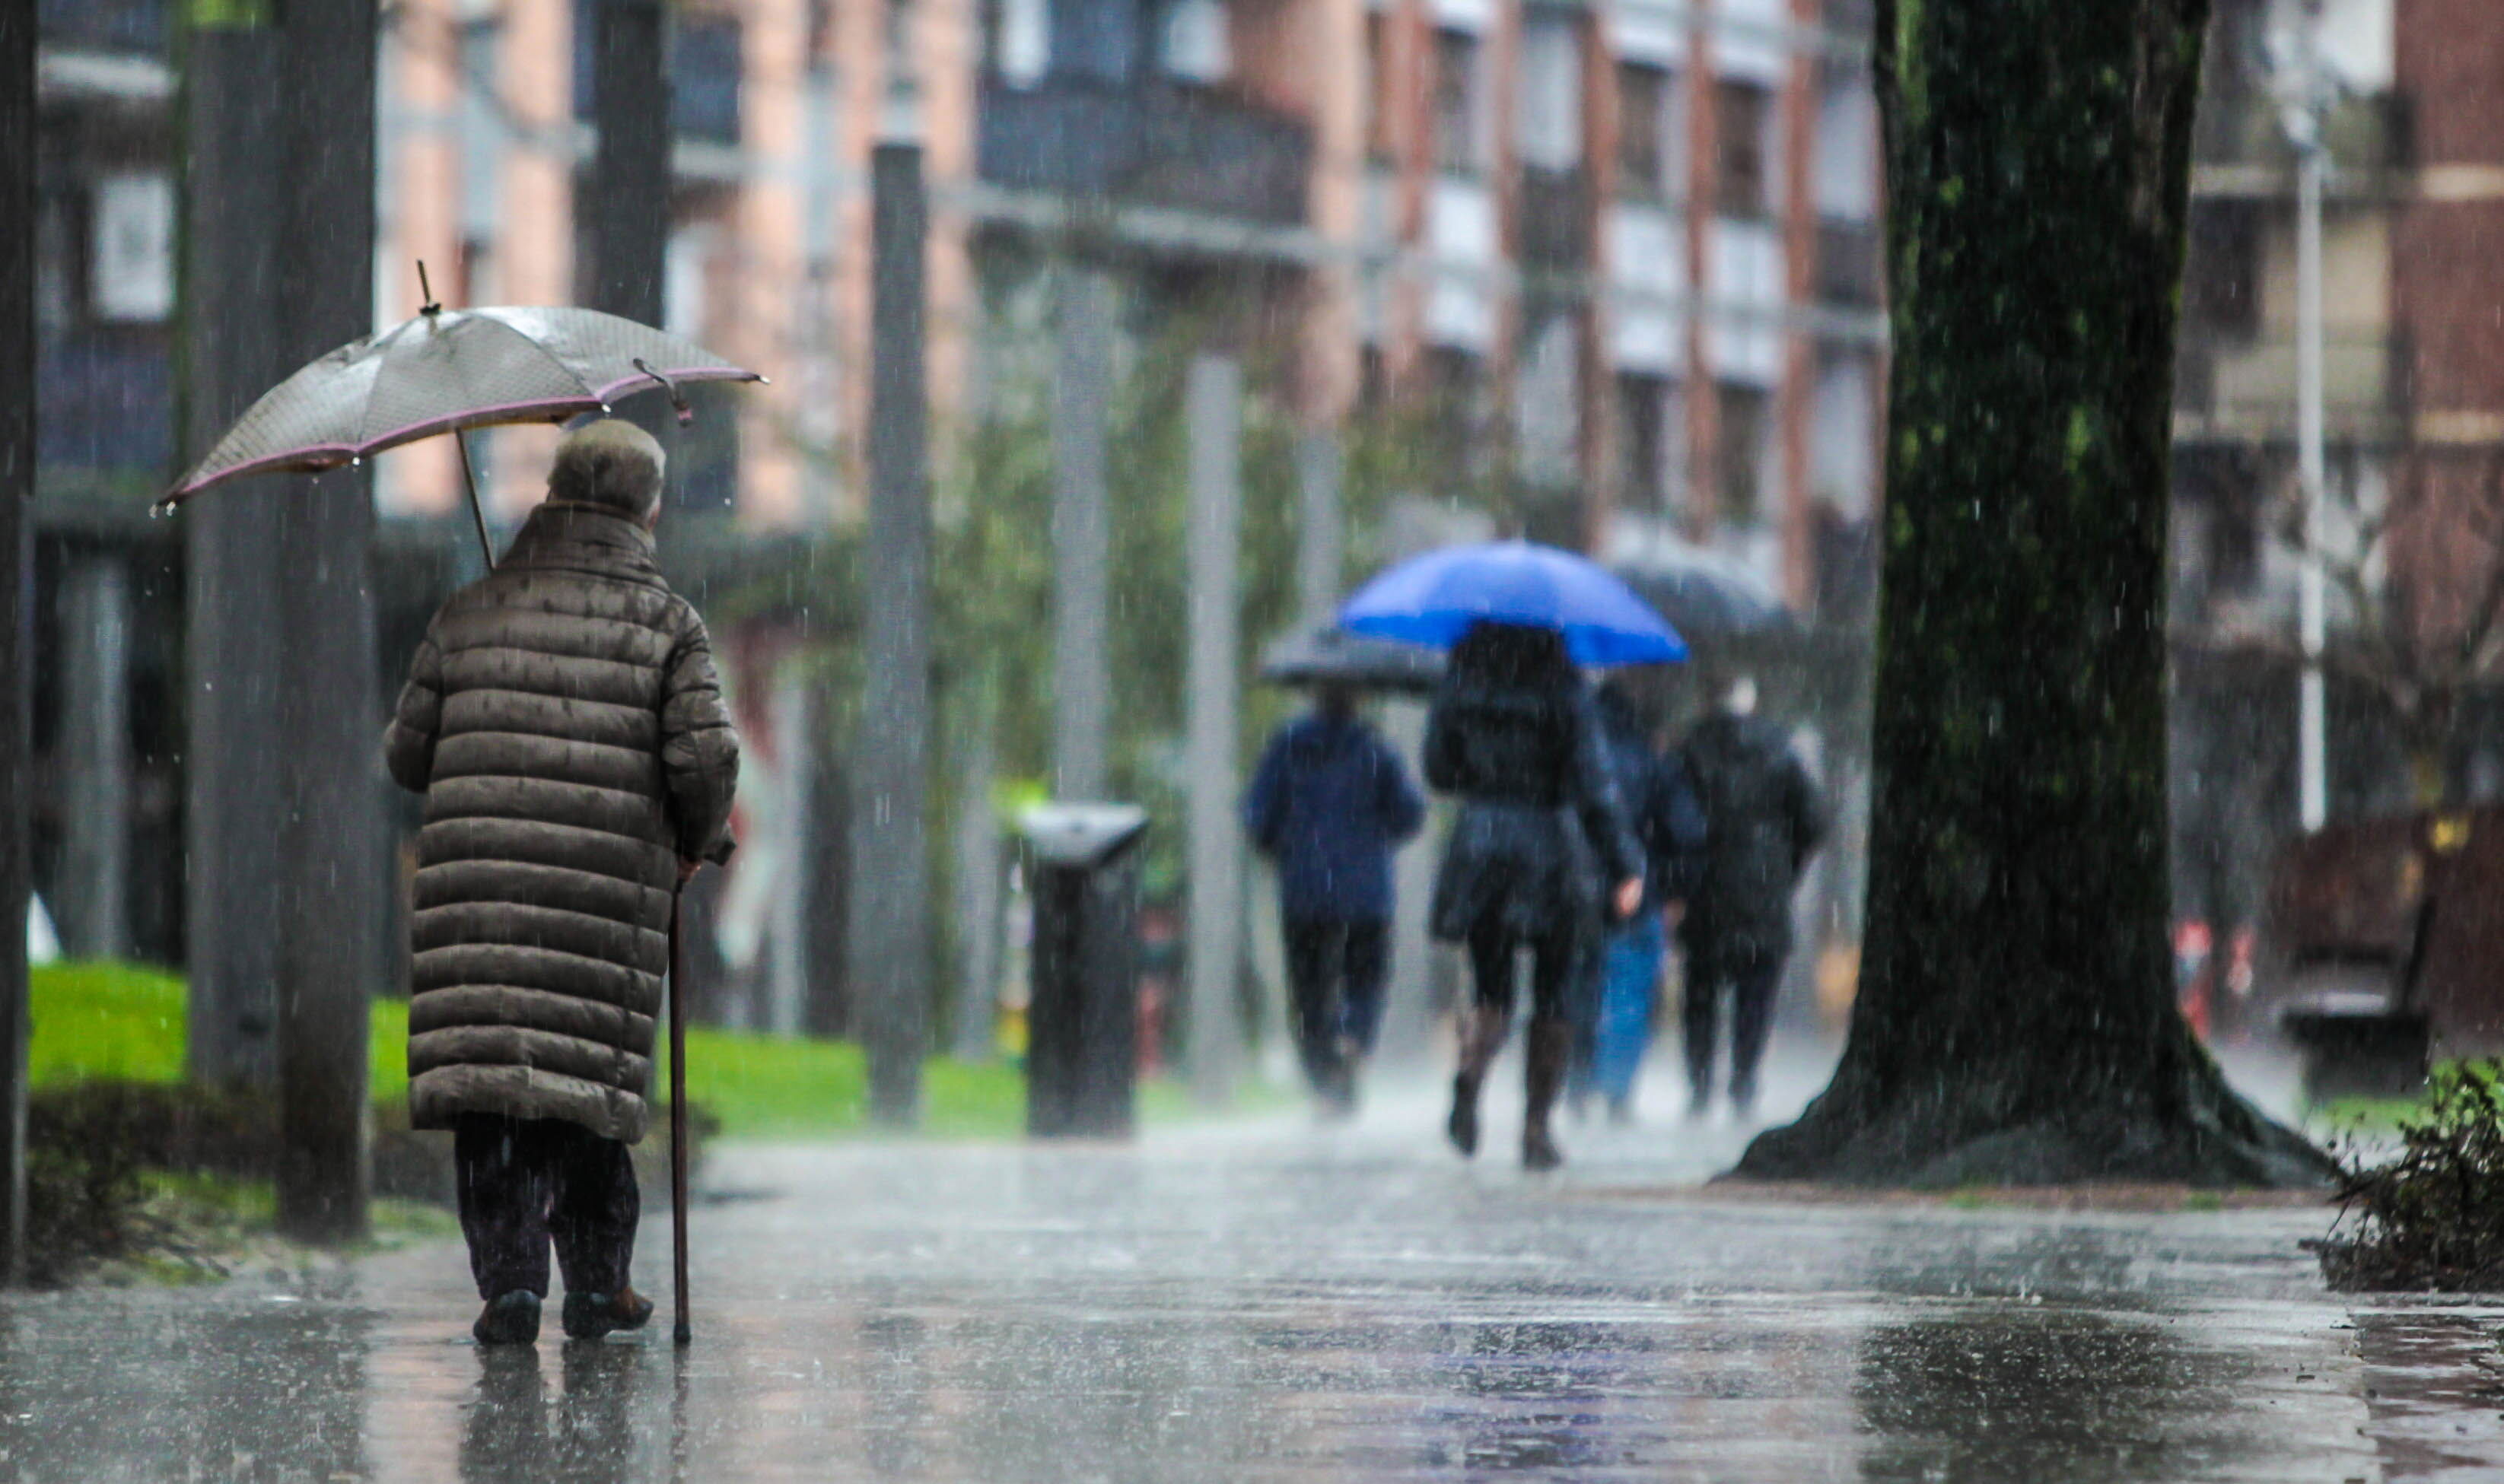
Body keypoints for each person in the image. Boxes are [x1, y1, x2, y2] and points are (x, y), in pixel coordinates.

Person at [384, 419, 740, 1346]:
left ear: (554, 492)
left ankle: (509, 1282)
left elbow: (408, 755)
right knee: (585, 1093)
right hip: (603, 901)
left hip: (478, 900)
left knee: (497, 1096)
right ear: (648, 508)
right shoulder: (669, 625)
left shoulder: (471, 607)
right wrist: (700, 841)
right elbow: (704, 758)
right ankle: (597, 1283)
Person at [1424, 621, 1642, 1171]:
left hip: (1479, 842)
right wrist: (1623, 862)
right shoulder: (1565, 687)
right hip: (1549, 844)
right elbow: (1594, 782)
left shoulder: (1462, 678)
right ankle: (1535, 1128)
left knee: (1490, 985)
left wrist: (1483, 772)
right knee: (1554, 989)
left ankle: (1470, 1076)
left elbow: (1438, 767)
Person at [1242, 683, 1427, 1114]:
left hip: (1304, 888)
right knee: (1366, 978)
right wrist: (1375, 835)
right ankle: (1352, 1039)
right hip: (1366, 891)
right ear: (1358, 697)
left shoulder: (1287, 746)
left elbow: (1257, 815)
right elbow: (1410, 814)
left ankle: (1324, 1074)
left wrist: (1285, 847)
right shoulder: (1376, 751)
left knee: (1309, 989)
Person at [1676, 675, 1825, 1120]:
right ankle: (1744, 1081)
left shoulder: (1691, 750)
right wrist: (1786, 865)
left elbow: (1669, 819)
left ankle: (1700, 1085)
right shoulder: (1781, 749)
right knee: (1756, 992)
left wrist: (1678, 877)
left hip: (1707, 885)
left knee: (1700, 991)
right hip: (1764, 885)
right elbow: (1813, 820)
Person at [1577, 678, 1707, 1123]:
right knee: (1628, 995)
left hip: (1576, 892)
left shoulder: (1575, 762)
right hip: (1638, 894)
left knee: (1577, 987)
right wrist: (1672, 890)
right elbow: (1687, 833)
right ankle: (1616, 1093)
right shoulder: (1655, 763)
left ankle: (1575, 1085)